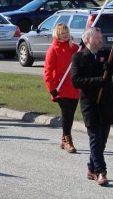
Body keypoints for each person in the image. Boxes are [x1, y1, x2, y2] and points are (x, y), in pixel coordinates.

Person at [71, 27, 113, 187]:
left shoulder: (107, 54)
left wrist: (111, 67)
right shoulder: (78, 57)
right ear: (87, 40)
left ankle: (91, 168)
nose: (101, 40)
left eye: (101, 37)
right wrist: (98, 80)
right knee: (95, 138)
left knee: (103, 140)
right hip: (90, 104)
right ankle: (101, 172)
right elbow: (76, 81)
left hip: (106, 103)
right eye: (97, 38)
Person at [44, 23, 80, 153]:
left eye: (66, 32)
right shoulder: (53, 49)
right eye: (62, 33)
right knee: (66, 113)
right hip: (60, 87)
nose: (65, 35)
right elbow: (48, 71)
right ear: (57, 34)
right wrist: (52, 88)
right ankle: (67, 140)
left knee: (70, 114)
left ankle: (64, 137)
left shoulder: (75, 48)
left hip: (74, 87)